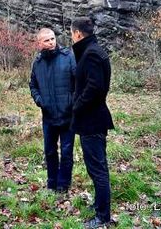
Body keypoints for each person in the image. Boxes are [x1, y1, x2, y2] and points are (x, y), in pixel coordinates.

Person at [70, 17, 114, 228]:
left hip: (92, 120)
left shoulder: (92, 54)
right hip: (92, 119)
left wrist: (77, 105)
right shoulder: (92, 51)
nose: (72, 37)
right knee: (96, 167)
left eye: (71, 34)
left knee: (98, 169)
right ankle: (100, 207)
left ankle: (102, 217)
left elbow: (95, 88)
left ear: (78, 34)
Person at [29, 28, 76, 193]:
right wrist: (39, 100)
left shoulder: (68, 57)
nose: (51, 42)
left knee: (66, 151)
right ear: (39, 43)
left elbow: (78, 82)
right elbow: (33, 85)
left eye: (53, 39)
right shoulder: (38, 63)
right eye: (47, 40)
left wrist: (71, 102)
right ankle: (52, 183)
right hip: (48, 116)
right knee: (49, 151)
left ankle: (63, 185)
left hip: (67, 115)